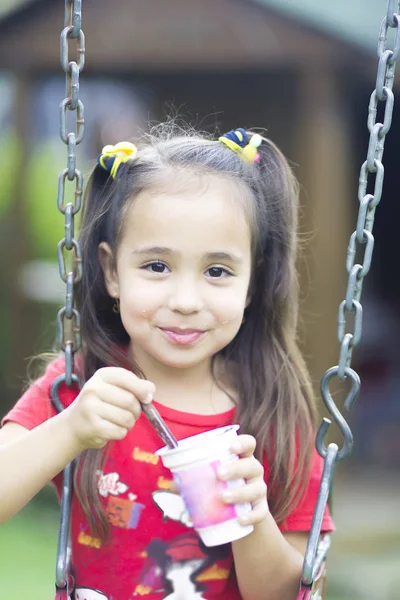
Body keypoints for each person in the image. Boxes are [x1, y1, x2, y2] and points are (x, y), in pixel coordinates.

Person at [0, 124, 334, 600]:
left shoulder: (276, 411)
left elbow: (295, 591)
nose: (184, 300)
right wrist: (69, 429)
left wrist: (251, 518)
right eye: (156, 266)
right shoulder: (79, 388)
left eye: (217, 271)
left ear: (253, 282)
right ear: (112, 271)